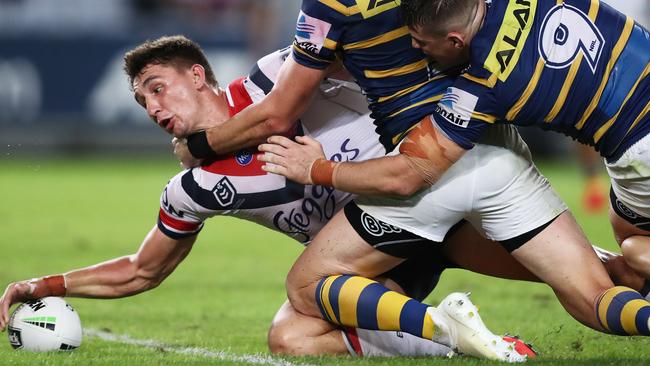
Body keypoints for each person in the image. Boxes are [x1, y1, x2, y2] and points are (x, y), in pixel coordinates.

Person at [0, 35, 553, 360]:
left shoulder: (276, 79)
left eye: (157, 86)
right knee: (290, 336)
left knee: (577, 275)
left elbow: (354, 48)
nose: (153, 107)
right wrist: (38, 284)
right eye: (143, 101)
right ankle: (466, 340)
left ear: (198, 75)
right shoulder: (193, 188)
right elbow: (142, 272)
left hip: (425, 201)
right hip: (370, 260)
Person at [249, 0, 650, 350]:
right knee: (602, 292)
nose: (415, 48)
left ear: (456, 41)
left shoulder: (480, 86)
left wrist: (318, 169)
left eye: (423, 44)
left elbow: (408, 175)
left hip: (634, 148)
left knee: (306, 285)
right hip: (510, 166)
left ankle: (443, 329)